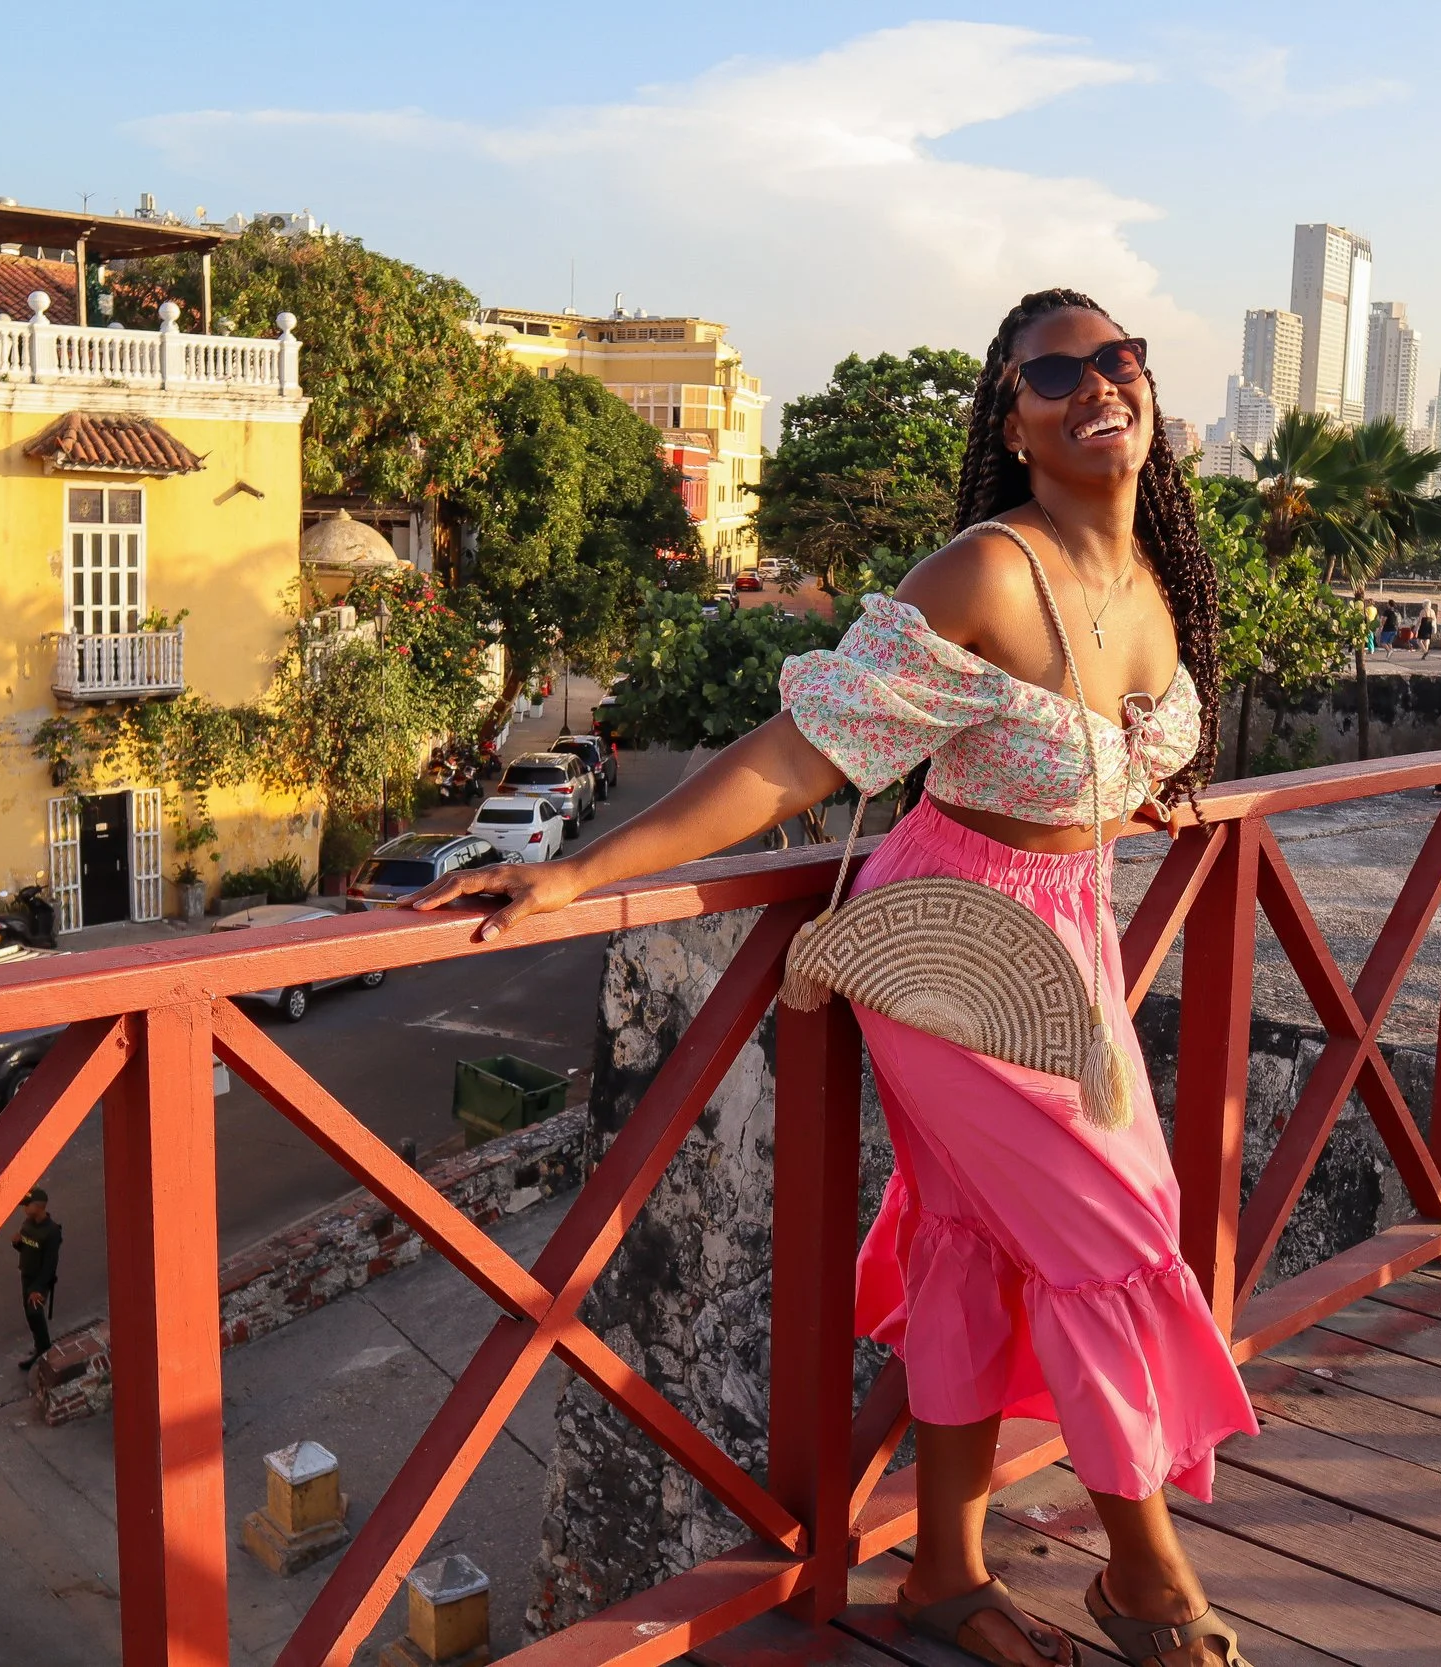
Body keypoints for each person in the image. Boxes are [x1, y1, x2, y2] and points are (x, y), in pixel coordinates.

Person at [413, 291, 1259, 1667]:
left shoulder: (1159, 586)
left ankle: (943, 1567)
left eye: (1120, 357)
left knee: (988, 1242)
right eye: (1056, 370)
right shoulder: (988, 572)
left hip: (1072, 940)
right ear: (1012, 418)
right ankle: (1149, 1573)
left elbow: (1117, 752)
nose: (1098, 383)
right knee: (1112, 1234)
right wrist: (576, 872)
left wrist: (1132, 785)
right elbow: (794, 756)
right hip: (947, 945)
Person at [14, 1188, 61, 1371]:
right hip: (26, 1275)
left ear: (40, 1206)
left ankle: (44, 1351)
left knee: (34, 1313)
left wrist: (38, 1288)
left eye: (28, 1204)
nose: (24, 1208)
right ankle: (40, 1348)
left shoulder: (51, 1231)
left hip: (40, 1280)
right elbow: (26, 1249)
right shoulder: (28, 1223)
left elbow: (50, 1264)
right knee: (30, 1314)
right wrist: (17, 1243)